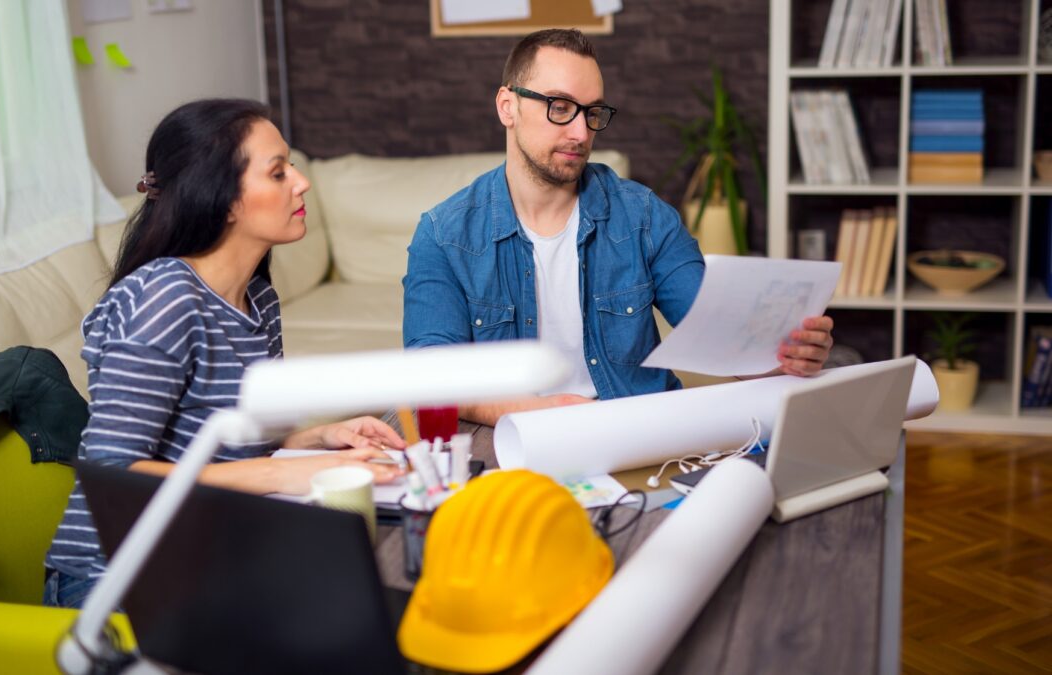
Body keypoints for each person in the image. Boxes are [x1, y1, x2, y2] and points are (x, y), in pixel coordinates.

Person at [44, 99, 405, 609]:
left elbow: (228, 445)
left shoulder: (257, 298)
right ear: (223, 200)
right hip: (113, 579)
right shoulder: (164, 298)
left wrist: (321, 438)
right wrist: (287, 471)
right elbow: (113, 476)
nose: (301, 183)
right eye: (278, 173)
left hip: (208, 549)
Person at [402, 29, 834, 426]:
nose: (580, 132)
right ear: (507, 106)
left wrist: (787, 357)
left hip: (632, 429)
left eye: (592, 113)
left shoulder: (645, 216)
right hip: (512, 431)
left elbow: (719, 337)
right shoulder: (443, 234)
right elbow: (430, 377)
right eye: (560, 107)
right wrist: (544, 412)